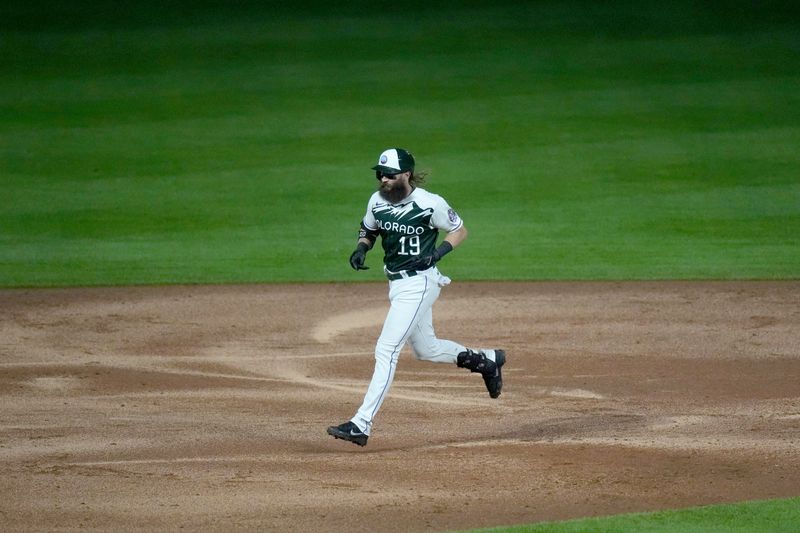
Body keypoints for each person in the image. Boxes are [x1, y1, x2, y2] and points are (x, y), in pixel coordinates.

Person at [326, 148, 507, 447]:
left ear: (406, 174)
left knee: (386, 350)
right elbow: (369, 228)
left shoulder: (428, 203)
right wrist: (361, 248)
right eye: (379, 174)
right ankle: (487, 361)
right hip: (397, 285)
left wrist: (437, 253)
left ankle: (361, 423)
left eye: (390, 174)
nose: (383, 179)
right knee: (427, 349)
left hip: (420, 284)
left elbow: (459, 230)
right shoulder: (377, 201)